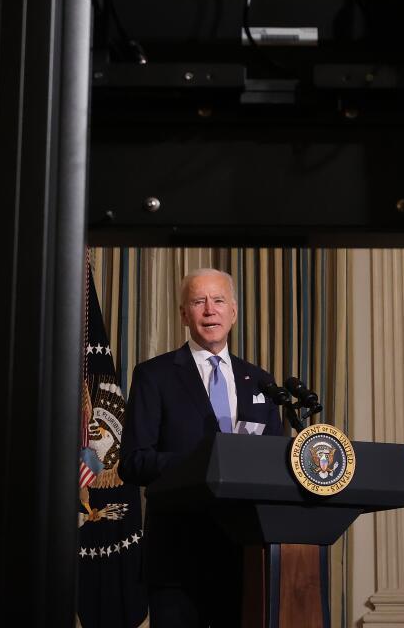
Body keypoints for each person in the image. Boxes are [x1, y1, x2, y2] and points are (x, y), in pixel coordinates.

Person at [120, 268, 284, 627]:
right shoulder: (154, 375)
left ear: (234, 312)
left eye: (219, 300)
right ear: (184, 315)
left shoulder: (260, 380)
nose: (210, 310)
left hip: (245, 554)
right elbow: (133, 462)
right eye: (198, 301)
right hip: (178, 557)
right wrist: (204, 465)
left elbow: (275, 459)